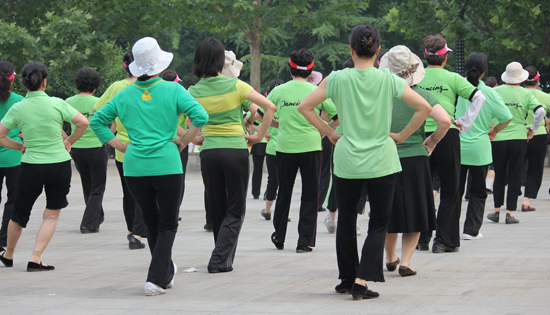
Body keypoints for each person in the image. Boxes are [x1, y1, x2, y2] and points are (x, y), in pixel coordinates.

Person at [298, 25, 432, 300]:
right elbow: (425, 108)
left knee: (346, 219)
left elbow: (305, 107)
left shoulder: (337, 78)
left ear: (351, 49)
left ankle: (347, 279)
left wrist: (330, 133)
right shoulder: (389, 80)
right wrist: (402, 136)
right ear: (378, 51)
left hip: (347, 159)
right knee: (379, 223)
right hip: (382, 159)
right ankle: (361, 280)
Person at [91, 37, 208, 295]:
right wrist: (183, 141)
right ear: (159, 65)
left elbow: (97, 121)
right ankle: (155, 279)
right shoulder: (174, 90)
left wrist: (120, 147)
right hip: (167, 164)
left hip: (135, 167)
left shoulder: (123, 95)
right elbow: (201, 116)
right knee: (167, 223)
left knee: (152, 222)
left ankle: (164, 271)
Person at [188, 38, 275, 273]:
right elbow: (269, 108)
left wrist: (193, 138)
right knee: (235, 209)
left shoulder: (193, 91)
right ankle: (219, 259)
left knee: (217, 207)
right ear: (220, 61)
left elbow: (183, 119)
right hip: (234, 151)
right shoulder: (237, 86)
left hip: (208, 152)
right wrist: (259, 137)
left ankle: (223, 256)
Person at [0, 62, 89, 271]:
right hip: (59, 165)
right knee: (51, 214)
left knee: (19, 214)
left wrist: (20, 146)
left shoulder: (18, 107)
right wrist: (69, 142)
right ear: (45, 82)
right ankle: (35, 257)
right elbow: (83, 123)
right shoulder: (57, 103)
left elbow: (1, 135)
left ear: (23, 83)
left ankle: (9, 254)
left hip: (31, 165)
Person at [379, 45, 451, 277]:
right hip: (415, 160)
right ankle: (406, 262)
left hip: (384, 157)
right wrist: (432, 140)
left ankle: (390, 257)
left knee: (388, 211)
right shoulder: (421, 94)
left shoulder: (381, 93)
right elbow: (445, 121)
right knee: (416, 210)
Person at [417, 34, 486, 253]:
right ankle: (443, 241)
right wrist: (465, 122)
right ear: (445, 57)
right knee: (450, 190)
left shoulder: (415, 77)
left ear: (425, 56)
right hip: (447, 133)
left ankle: (421, 238)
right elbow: (479, 97)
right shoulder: (453, 78)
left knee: (422, 189)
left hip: (419, 135)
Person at [269, 48, 338, 254]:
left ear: (289, 68)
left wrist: (280, 124)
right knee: (310, 194)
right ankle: (304, 242)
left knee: (284, 193)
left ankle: (279, 237)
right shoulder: (315, 91)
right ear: (311, 71)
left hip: (284, 147)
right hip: (311, 146)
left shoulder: (279, 91)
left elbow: (259, 115)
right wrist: (325, 130)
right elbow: (337, 114)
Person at [455, 53, 512, 240]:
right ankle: (471, 231)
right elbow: (506, 117)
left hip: (456, 147)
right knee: (478, 192)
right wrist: (494, 130)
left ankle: (449, 229)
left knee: (454, 192)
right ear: (484, 71)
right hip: (480, 149)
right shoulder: (489, 92)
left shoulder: (456, 87)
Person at [94, 51, 147, 250]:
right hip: (147, 147)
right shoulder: (152, 86)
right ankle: (139, 232)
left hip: (123, 149)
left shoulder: (117, 87)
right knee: (145, 192)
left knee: (129, 192)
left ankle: (131, 230)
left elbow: (98, 111)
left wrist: (115, 128)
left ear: (125, 66)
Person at [487, 62, 545, 224]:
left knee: (499, 173)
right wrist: (533, 128)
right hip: (519, 138)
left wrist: (489, 126)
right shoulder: (526, 94)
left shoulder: (496, 91)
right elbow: (540, 111)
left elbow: (483, 107)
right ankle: (510, 213)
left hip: (498, 137)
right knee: (515, 175)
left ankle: (496, 210)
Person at [66, 67, 108, 233]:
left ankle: (98, 215)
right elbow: (113, 123)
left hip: (76, 148)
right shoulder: (100, 103)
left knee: (87, 185)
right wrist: (106, 137)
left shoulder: (68, 102)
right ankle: (88, 224)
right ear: (96, 85)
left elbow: (58, 124)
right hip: (96, 148)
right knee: (98, 187)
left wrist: (68, 139)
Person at [0, 60, 23, 250]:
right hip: (14, 154)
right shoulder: (19, 100)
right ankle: (3, 241)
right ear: (12, 78)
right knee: (12, 200)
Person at [521, 66, 550, 211]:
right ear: (537, 81)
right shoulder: (545, 96)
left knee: (515, 168)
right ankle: (526, 201)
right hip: (538, 136)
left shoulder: (518, 94)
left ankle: (509, 201)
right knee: (535, 169)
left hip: (518, 135)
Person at [255, 79, 284, 220]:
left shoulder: (268, 109)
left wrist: (264, 130)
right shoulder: (286, 107)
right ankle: (284, 211)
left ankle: (267, 210)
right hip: (288, 147)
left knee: (273, 179)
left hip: (272, 148)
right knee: (287, 181)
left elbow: (254, 118)